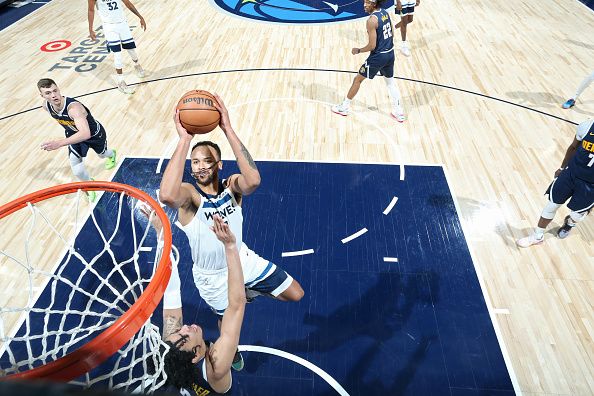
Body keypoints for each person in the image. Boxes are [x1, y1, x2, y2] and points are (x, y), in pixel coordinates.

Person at [159, 94, 304, 369]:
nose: (200, 166)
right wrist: (184, 141)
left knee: (295, 293)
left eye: (206, 160)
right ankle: (232, 347)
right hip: (212, 276)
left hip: (241, 259)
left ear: (219, 164)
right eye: (195, 162)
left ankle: (247, 290)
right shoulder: (190, 196)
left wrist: (227, 128)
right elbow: (167, 194)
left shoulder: (231, 188)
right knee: (228, 324)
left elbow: (254, 180)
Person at [162, 214, 246, 395]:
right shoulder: (216, 364)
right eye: (184, 336)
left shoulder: (173, 348)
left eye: (179, 331)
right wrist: (230, 247)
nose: (183, 328)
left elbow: (171, 291)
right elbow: (237, 305)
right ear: (195, 356)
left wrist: (162, 235)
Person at [516, 119, 594, 247]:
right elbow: (573, 147)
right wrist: (562, 168)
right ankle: (537, 236)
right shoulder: (587, 126)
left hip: (591, 185)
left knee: (577, 215)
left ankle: (569, 224)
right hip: (571, 175)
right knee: (551, 205)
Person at [38, 78, 117, 202]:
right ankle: (89, 185)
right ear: (42, 95)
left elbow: (85, 133)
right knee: (77, 169)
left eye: (55, 90)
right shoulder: (46, 106)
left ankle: (112, 154)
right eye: (48, 93)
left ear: (59, 89)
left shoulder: (73, 108)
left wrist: (59, 143)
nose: (53, 95)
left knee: (102, 155)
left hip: (93, 135)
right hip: (74, 136)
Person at [331, 0, 405, 122]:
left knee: (357, 79)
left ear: (374, 4)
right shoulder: (385, 12)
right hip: (390, 53)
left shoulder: (371, 21)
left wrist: (358, 50)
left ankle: (344, 107)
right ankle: (399, 112)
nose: (364, 5)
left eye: (368, 3)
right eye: (364, 2)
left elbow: (372, 46)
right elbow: (391, 31)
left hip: (378, 57)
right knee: (390, 83)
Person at [87, 0, 146, 94]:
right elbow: (91, 10)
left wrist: (140, 17)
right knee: (117, 54)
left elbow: (127, 3)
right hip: (109, 27)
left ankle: (137, 65)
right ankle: (121, 81)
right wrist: (90, 29)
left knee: (131, 50)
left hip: (122, 24)